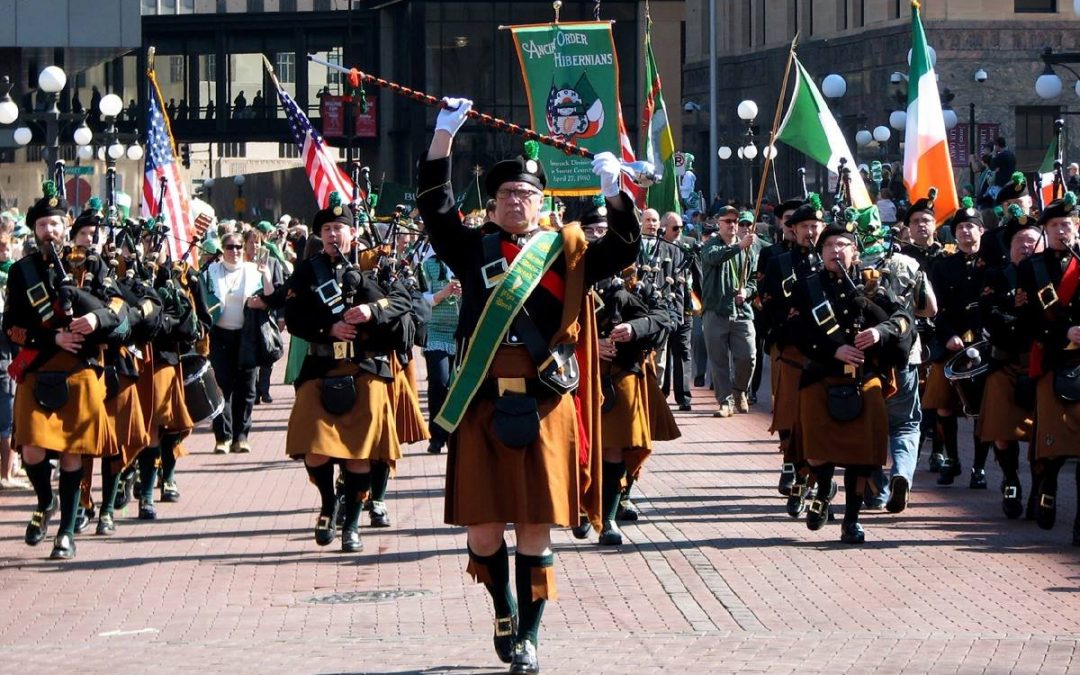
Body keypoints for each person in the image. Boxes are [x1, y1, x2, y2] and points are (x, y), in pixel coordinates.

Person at [417, 96, 639, 674]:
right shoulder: (471, 247)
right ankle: (502, 607)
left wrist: (616, 195)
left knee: (537, 530)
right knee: (486, 531)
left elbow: (623, 247)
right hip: (482, 400)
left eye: (529, 195)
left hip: (545, 402)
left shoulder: (566, 249)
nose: (519, 201)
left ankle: (530, 640)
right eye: (509, 195)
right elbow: (436, 208)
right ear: (492, 205)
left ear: (544, 204)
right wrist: (444, 137)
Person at [281, 193, 413, 554]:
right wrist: (329, 328)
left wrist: (371, 309)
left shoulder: (376, 263)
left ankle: (352, 524)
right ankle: (328, 504)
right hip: (321, 366)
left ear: (353, 234)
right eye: (326, 228)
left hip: (366, 367)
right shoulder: (308, 270)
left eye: (340, 227)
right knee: (314, 450)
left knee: (359, 454)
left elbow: (404, 299)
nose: (333, 234)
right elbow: (294, 318)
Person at [5, 181, 124, 559]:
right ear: (35, 230)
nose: (49, 231)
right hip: (39, 363)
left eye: (55, 224)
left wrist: (92, 317)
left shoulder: (93, 264)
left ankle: (67, 533)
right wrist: (50, 340)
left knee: (74, 452)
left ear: (66, 224)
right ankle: (45, 501)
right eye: (42, 225)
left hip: (81, 367)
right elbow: (10, 326)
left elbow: (118, 309)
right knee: (33, 448)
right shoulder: (22, 272)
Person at [794, 220, 912, 544]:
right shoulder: (808, 287)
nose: (836, 251)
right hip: (822, 374)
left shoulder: (873, 284)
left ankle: (852, 520)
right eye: (829, 246)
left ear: (855, 251)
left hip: (864, 379)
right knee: (818, 452)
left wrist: (879, 332)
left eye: (843, 245)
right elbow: (798, 332)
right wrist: (835, 350)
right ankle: (821, 490)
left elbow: (904, 320)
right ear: (821, 252)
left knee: (862, 454)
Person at [581, 201, 673, 546]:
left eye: (603, 231)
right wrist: (590, 344)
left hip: (621, 373)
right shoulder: (569, 274)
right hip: (575, 372)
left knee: (616, 448)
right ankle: (580, 508)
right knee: (581, 447)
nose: (596, 237)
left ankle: (607, 517)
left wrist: (634, 329)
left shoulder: (639, 277)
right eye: (590, 231)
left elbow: (665, 316)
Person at [1017, 191, 1080, 545]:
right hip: (1054, 362)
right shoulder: (1032, 268)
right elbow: (1027, 321)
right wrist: (1063, 331)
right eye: (1055, 225)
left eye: (1067, 224)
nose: (1061, 231)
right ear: (1046, 229)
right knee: (1052, 448)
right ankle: (1047, 488)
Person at [978, 205, 1041, 520]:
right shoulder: (996, 276)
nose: (1026, 246)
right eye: (1020, 242)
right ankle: (1011, 480)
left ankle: (1042, 489)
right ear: (1010, 248)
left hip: (1042, 364)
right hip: (1005, 363)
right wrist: (1011, 309)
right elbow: (988, 314)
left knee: (1044, 435)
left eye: (1031, 241)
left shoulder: (1051, 274)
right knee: (1004, 432)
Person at [926, 198, 988, 487]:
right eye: (961, 227)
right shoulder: (942, 267)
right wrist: (949, 335)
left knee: (982, 410)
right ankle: (952, 458)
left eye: (971, 227)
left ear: (981, 231)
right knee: (943, 405)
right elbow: (935, 311)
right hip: (949, 344)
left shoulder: (994, 266)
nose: (966, 232)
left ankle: (979, 467)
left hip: (985, 346)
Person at [203, 232, 270, 454]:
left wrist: (266, 276)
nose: (235, 251)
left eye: (239, 246)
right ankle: (223, 436)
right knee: (222, 387)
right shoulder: (211, 272)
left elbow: (271, 297)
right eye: (230, 247)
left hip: (247, 336)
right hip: (220, 336)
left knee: (247, 387)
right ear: (222, 249)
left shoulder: (253, 271)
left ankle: (241, 436)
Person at [699, 206, 757, 418]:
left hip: (742, 312)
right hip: (716, 311)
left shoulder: (748, 249)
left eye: (736, 221)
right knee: (719, 360)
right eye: (728, 221)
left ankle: (740, 389)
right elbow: (713, 258)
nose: (733, 225)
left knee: (748, 356)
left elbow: (753, 280)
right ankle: (725, 401)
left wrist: (747, 290)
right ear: (719, 223)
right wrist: (739, 246)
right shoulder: (710, 245)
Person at [419, 251, 461, 454]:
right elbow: (419, 299)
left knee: (459, 385)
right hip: (436, 331)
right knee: (439, 382)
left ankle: (458, 433)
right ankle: (437, 435)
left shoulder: (469, 259)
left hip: (464, 332)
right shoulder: (428, 265)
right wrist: (442, 294)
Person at [660, 211, 698, 411]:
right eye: (675, 228)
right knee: (664, 351)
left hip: (685, 308)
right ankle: (662, 393)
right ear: (663, 227)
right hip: (664, 308)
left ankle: (684, 397)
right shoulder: (658, 247)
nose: (679, 232)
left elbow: (698, 275)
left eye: (681, 227)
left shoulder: (689, 245)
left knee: (683, 351)